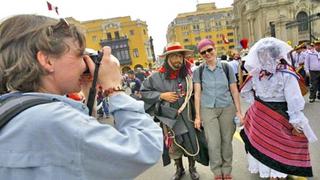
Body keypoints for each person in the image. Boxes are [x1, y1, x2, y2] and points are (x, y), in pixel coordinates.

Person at [0, 14, 163, 180]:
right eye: (79, 55)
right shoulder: (54, 119)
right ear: (47, 60)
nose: (86, 64)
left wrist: (87, 92)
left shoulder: (13, 111)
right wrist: (114, 88)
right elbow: (147, 146)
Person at [240, 37, 317, 179]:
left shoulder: (285, 74)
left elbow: (294, 100)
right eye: (261, 54)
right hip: (261, 115)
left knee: (278, 144)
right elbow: (245, 91)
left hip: (281, 114)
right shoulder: (256, 74)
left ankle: (276, 174)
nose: (264, 57)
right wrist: (256, 106)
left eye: (267, 53)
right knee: (265, 144)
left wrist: (295, 121)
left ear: (274, 54)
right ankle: (272, 173)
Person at [141, 42, 206, 180]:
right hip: (169, 118)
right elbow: (144, 92)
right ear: (167, 58)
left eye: (180, 57)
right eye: (174, 56)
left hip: (188, 114)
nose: (178, 60)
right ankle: (179, 168)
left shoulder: (189, 76)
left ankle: (192, 167)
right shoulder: (155, 77)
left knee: (190, 141)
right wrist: (161, 96)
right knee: (174, 144)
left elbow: (199, 93)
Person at [193, 39, 244, 180]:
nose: (207, 54)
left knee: (226, 141)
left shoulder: (227, 68)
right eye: (203, 52)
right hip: (208, 109)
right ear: (200, 55)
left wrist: (239, 112)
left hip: (227, 108)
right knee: (213, 142)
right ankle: (217, 172)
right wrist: (198, 116)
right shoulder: (199, 71)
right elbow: (197, 94)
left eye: (210, 50)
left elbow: (234, 91)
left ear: (215, 49)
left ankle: (226, 170)